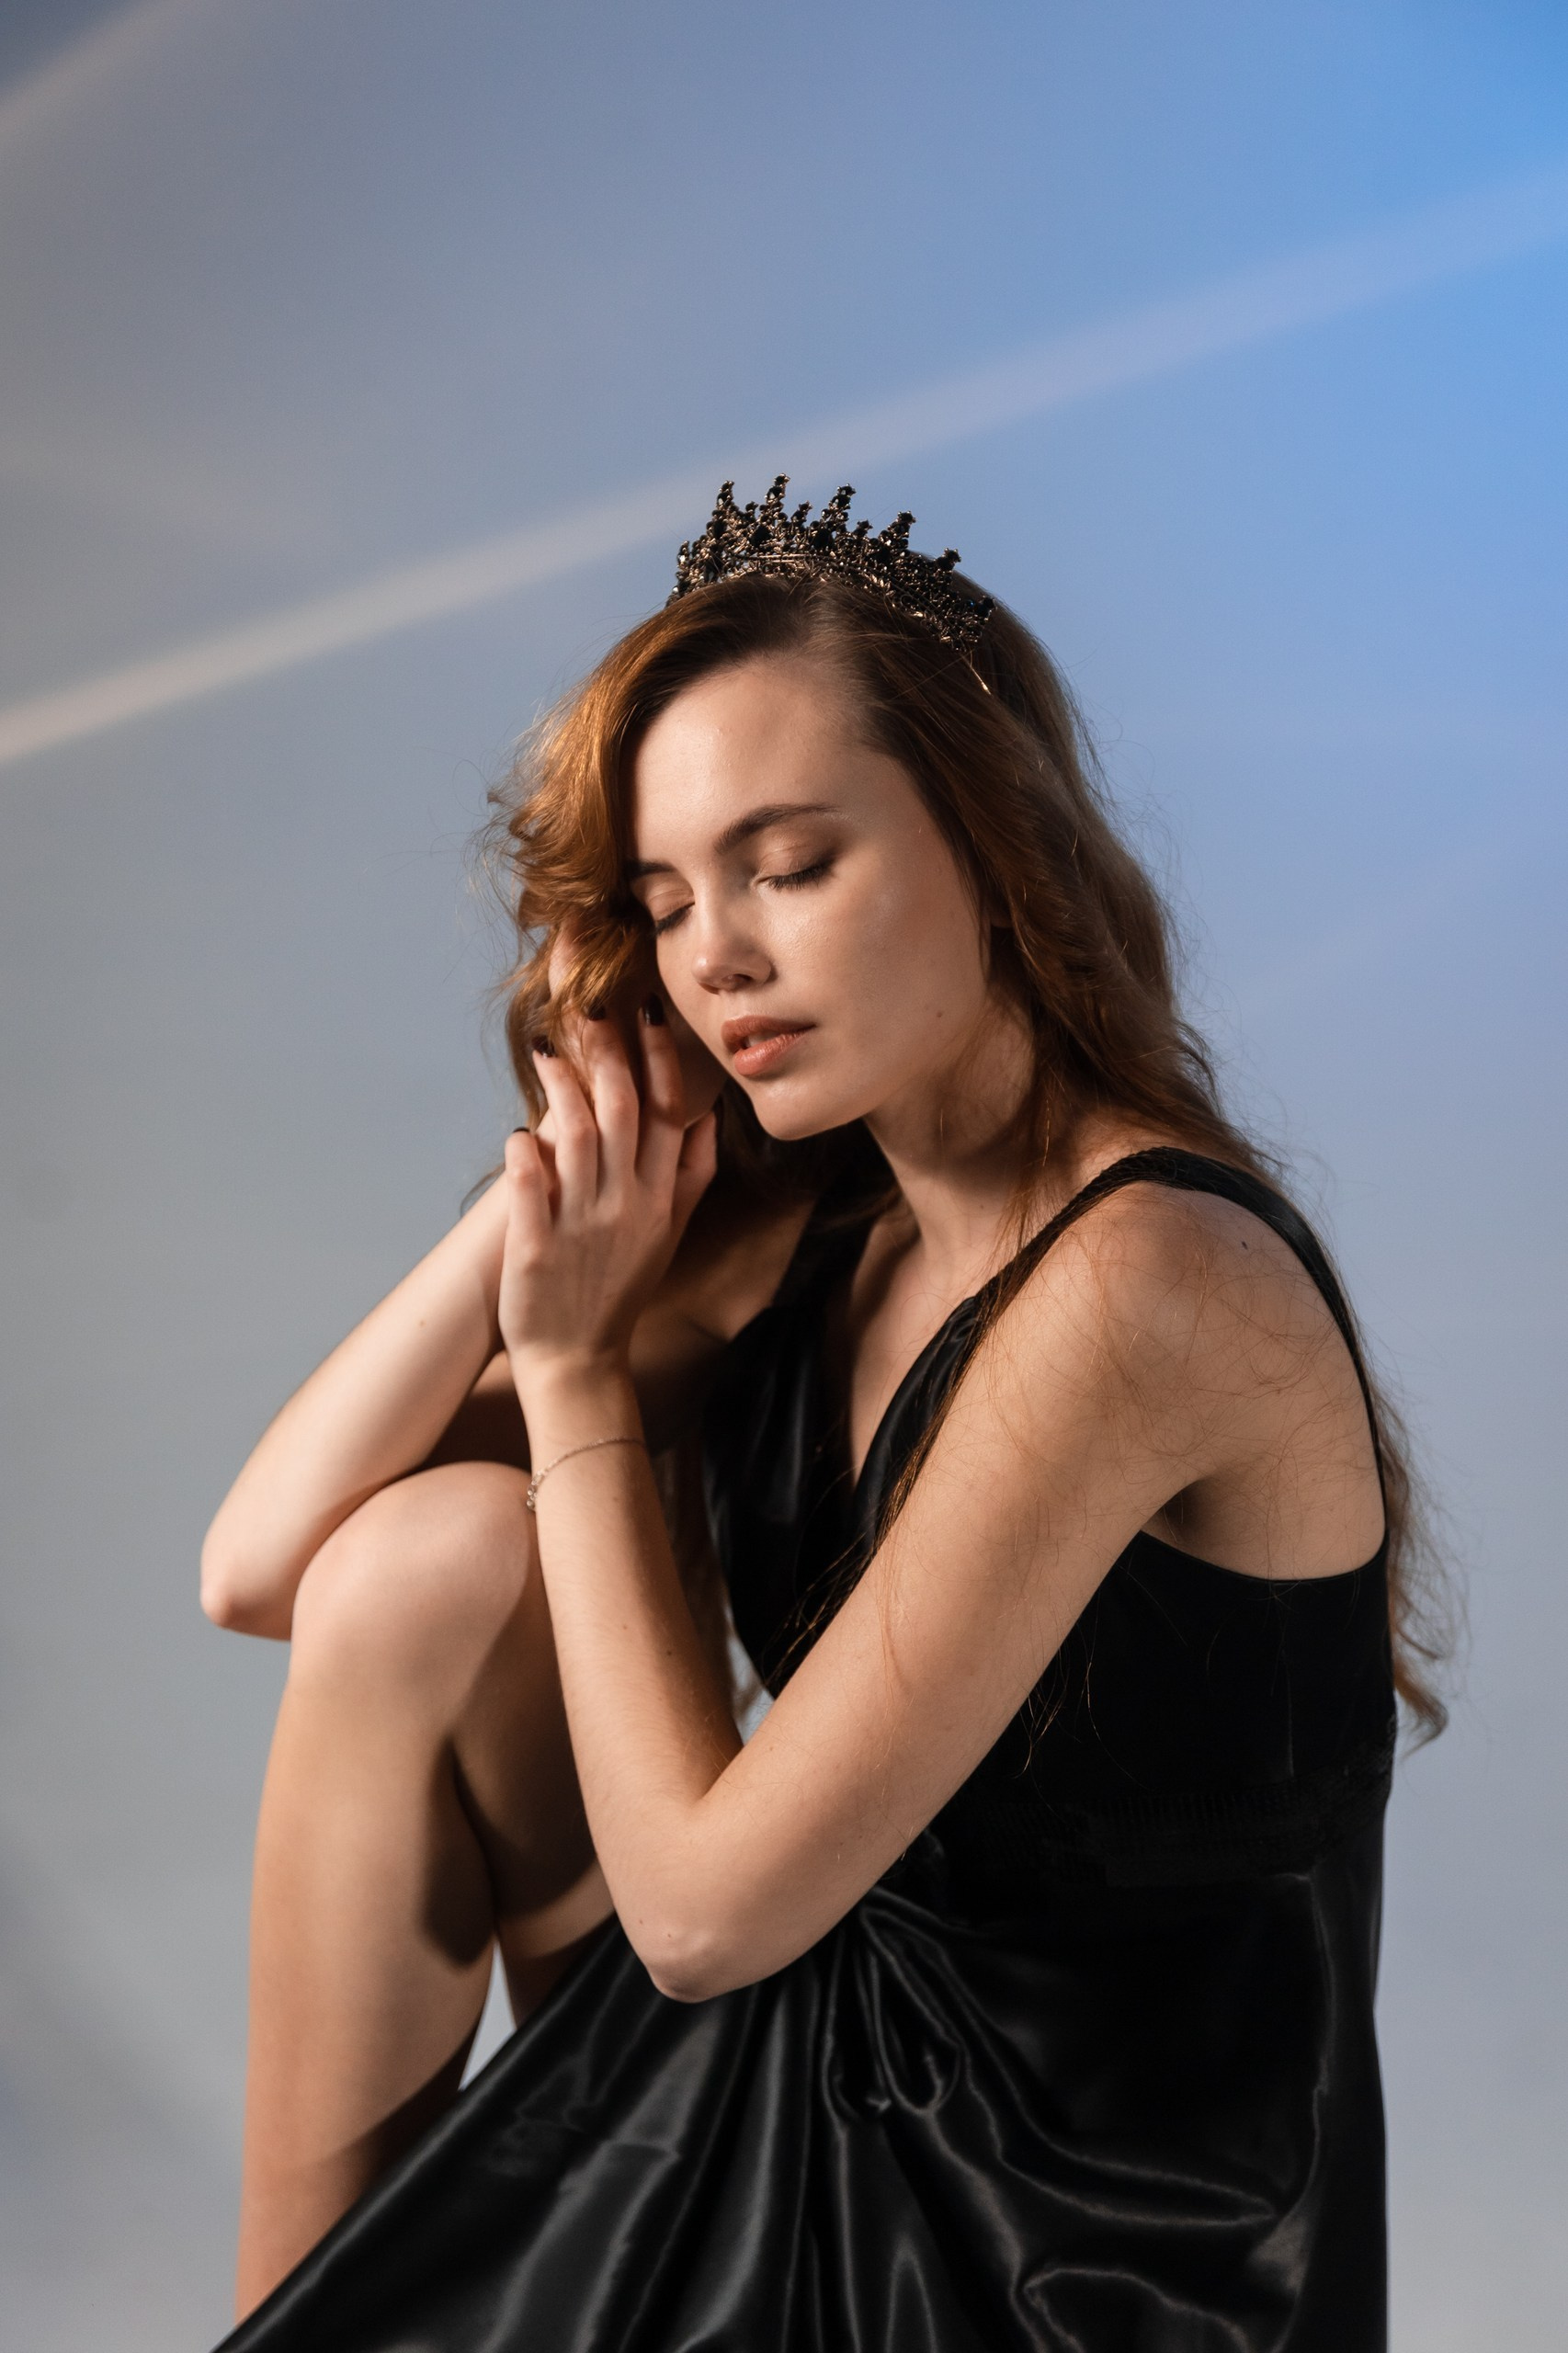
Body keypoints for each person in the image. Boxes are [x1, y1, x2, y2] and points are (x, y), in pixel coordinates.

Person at [201, 480, 1442, 2352]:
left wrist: (576, 1368)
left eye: (786, 866)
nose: (716, 956)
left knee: (491, 1547)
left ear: (994, 843)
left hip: (1072, 2249)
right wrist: (555, 1184)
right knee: (420, 1563)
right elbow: (263, 1567)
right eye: (663, 904)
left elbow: (704, 1919)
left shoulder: (1152, 1277)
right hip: (838, 2056)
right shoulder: (820, 1230)